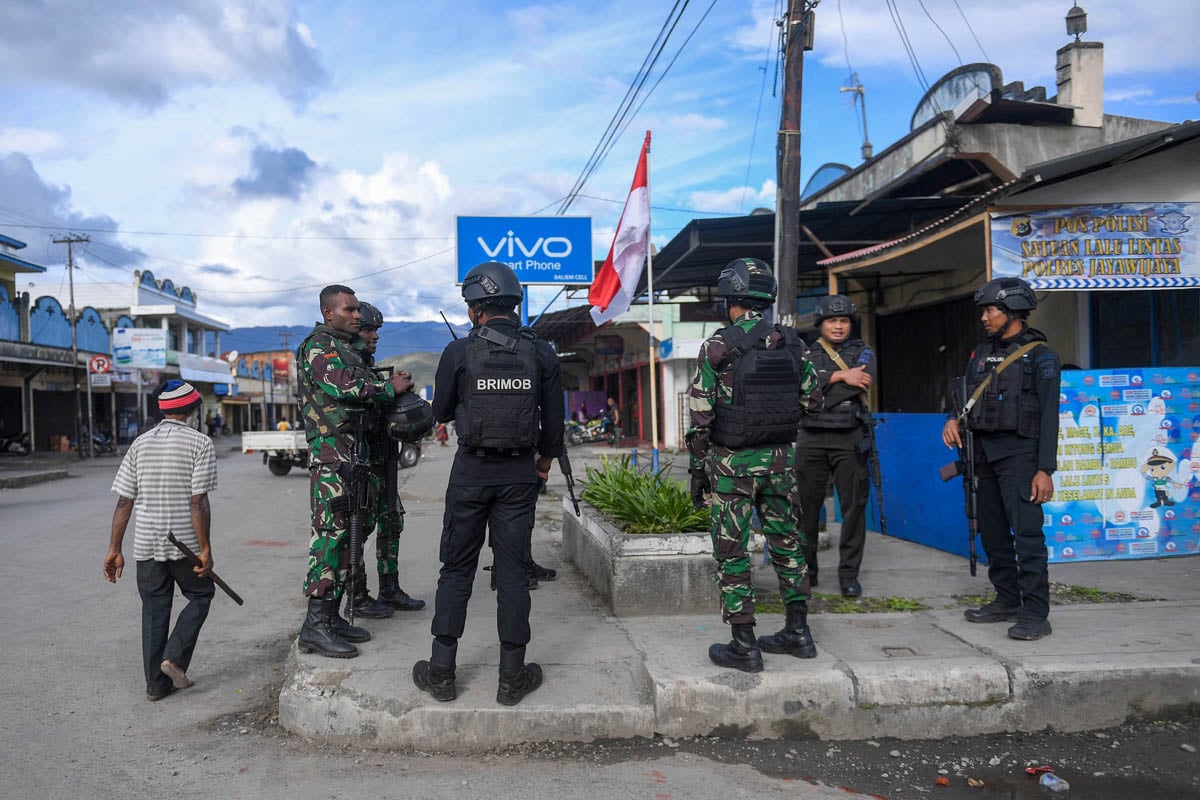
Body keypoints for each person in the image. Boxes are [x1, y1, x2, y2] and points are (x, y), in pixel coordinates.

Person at [413, 261, 564, 705]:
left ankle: (441, 675)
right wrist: (542, 466)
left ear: (476, 308)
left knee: (456, 571)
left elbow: (438, 413)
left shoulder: (459, 353)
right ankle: (511, 679)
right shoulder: (541, 351)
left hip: (470, 475)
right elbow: (554, 424)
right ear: (513, 304)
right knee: (514, 573)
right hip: (519, 474)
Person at [686, 257, 823, 672]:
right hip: (781, 464)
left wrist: (698, 470)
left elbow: (700, 416)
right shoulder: (796, 344)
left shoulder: (718, 346)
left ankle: (744, 644)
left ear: (730, 297)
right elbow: (813, 403)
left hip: (732, 466)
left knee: (733, 553)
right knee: (788, 545)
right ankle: (798, 632)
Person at [296, 285, 413, 659]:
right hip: (333, 457)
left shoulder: (344, 347)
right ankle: (314, 626)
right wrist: (388, 387)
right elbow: (347, 387)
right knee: (330, 538)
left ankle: (331, 618)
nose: (357, 315)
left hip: (352, 456)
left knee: (349, 536)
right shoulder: (319, 345)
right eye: (349, 310)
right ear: (329, 312)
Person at [941, 277, 1061, 642]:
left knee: (1026, 535)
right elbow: (965, 394)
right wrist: (951, 417)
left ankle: (1036, 613)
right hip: (982, 455)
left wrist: (1045, 469)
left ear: (1012, 312)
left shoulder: (1041, 356)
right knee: (992, 534)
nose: (984, 317)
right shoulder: (980, 352)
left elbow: (1049, 415)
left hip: (1021, 456)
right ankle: (1008, 599)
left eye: (990, 310)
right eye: (984, 310)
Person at [103, 380, 217, 701]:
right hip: (183, 542)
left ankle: (156, 686)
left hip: (146, 543)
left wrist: (115, 549)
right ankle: (175, 658)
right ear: (192, 410)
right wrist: (205, 549)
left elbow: (125, 501)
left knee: (154, 610)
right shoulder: (200, 443)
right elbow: (198, 503)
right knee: (200, 594)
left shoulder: (140, 444)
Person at [795, 295, 876, 598]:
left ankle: (848, 576)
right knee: (806, 510)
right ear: (821, 324)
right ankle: (808, 572)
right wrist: (842, 375)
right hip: (811, 439)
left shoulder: (863, 351)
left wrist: (819, 388)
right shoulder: (804, 352)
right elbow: (799, 385)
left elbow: (863, 381)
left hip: (850, 438)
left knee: (854, 509)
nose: (839, 326)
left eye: (843, 321)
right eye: (832, 321)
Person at [353, 300, 424, 615]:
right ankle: (357, 595)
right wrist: (387, 390)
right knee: (358, 530)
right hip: (361, 462)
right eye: (368, 329)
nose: (374, 336)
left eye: (377, 330)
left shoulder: (367, 365)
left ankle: (390, 589)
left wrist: (400, 390)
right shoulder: (347, 365)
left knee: (392, 522)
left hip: (385, 460)